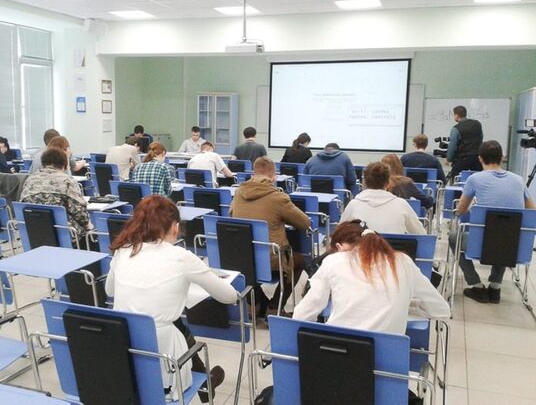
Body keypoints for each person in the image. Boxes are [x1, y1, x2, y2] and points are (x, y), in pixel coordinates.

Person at [106, 195, 237, 402]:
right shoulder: (181, 257)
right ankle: (204, 383)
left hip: (123, 351)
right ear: (175, 227)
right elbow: (229, 296)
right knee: (172, 323)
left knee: (170, 321)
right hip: (166, 361)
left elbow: (110, 291)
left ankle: (205, 383)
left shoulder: (124, 250)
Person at [293, 220, 449, 334]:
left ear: (339, 248)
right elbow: (441, 310)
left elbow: (303, 314)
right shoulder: (403, 262)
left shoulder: (334, 261)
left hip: (337, 357)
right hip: (389, 365)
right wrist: (405, 305)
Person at [450, 140, 535, 304]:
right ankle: (495, 287)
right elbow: (531, 211)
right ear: (502, 157)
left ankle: (475, 284)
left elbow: (461, 210)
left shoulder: (474, 179)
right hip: (513, 247)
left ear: (480, 159)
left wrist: (475, 208)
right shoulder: (519, 180)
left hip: (481, 245)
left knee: (454, 237)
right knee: (506, 228)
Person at [231, 156, 310, 316]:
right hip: (271, 260)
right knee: (300, 261)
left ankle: (257, 303)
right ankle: (275, 307)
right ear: (274, 176)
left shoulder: (239, 192)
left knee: (253, 263)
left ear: (253, 174)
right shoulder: (278, 197)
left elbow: (231, 215)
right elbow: (304, 223)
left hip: (242, 257)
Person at [20, 147, 91, 239]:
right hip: (65, 234)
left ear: (43, 163)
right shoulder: (67, 181)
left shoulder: (30, 179)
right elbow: (79, 212)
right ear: (64, 165)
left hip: (33, 233)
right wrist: (88, 226)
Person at [341, 162, 426, 235]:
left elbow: (339, 235)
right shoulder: (402, 205)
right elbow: (421, 234)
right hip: (392, 249)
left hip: (362, 249)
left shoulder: (353, 205)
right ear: (388, 183)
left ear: (364, 182)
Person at [447, 105, 483, 181]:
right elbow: (481, 137)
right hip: (477, 159)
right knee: (478, 180)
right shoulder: (477, 124)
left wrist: (449, 158)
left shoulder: (456, 128)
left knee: (456, 180)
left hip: (463, 159)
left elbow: (452, 146)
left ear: (456, 115)